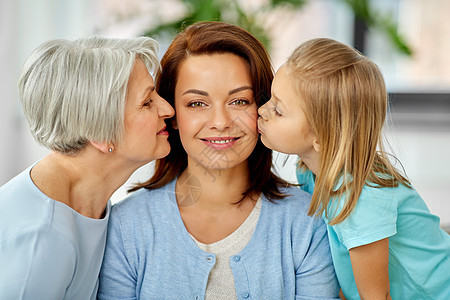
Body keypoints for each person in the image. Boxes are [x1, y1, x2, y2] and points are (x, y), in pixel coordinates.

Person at [98, 21, 339, 299]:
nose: (221, 122)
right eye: (197, 104)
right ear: (172, 113)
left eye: (239, 101)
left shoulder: (308, 222)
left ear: (264, 108)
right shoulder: (126, 226)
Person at [257, 37, 450, 300]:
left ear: (322, 137)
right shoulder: (309, 172)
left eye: (278, 110)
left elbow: (375, 296)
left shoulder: (359, 199)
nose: (262, 110)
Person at [0, 36, 174, 299]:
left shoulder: (87, 203)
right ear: (100, 134)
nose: (168, 109)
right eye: (147, 102)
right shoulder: (42, 239)